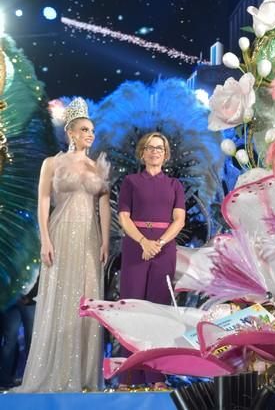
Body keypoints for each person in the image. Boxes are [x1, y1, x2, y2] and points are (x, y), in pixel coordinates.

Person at [14, 97, 110, 392]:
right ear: (70, 132)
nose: (89, 135)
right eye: (84, 130)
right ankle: (55, 373)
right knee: (60, 298)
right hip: (61, 231)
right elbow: (43, 200)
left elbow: (103, 205)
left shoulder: (98, 166)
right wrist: (44, 238)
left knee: (86, 299)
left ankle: (83, 375)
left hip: (89, 237)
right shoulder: (52, 163)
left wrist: (106, 240)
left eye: (91, 130)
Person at [117, 132, 185, 388]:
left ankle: (157, 377)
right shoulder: (130, 182)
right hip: (136, 248)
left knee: (158, 311)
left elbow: (179, 220)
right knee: (131, 310)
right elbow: (124, 217)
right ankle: (128, 375)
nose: (155, 151)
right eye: (150, 147)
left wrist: (158, 244)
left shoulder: (174, 185)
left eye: (160, 148)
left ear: (166, 154)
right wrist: (144, 242)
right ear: (142, 152)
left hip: (164, 250)